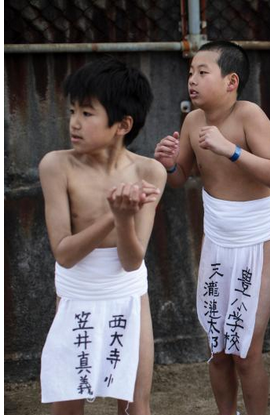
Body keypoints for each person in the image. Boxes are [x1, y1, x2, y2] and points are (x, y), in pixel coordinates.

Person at [153, 41, 270, 415]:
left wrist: (231, 149)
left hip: (259, 241)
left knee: (247, 351)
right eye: (190, 72)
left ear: (231, 81)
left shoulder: (250, 115)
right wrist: (167, 164)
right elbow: (180, 179)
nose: (191, 80)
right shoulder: (193, 120)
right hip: (217, 241)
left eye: (201, 72)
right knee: (219, 347)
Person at [39, 57, 165, 415]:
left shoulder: (149, 171)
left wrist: (124, 221)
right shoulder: (56, 165)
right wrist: (114, 216)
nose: (74, 123)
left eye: (87, 113)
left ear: (123, 124)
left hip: (127, 293)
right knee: (67, 402)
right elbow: (63, 253)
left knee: (136, 404)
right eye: (73, 110)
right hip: (76, 292)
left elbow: (132, 260)